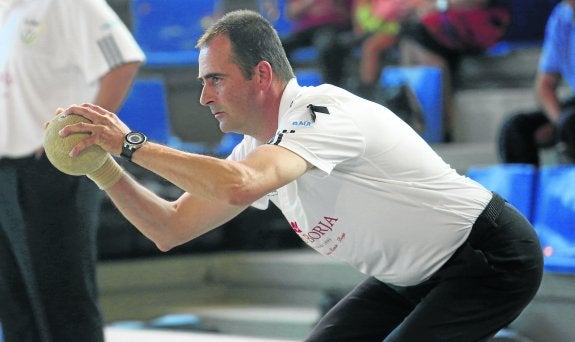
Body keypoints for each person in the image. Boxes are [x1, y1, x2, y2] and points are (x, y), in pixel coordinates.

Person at [55, 10, 542, 341]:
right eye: (203, 82)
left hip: (488, 258)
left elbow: (240, 184)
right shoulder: (257, 148)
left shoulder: (321, 113)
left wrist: (132, 144)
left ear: (262, 76)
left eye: (215, 79)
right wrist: (104, 168)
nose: (204, 97)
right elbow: (170, 227)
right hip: (408, 275)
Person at [0, 0, 144, 341]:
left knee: (63, 302)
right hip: (4, 171)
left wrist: (87, 131)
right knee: (14, 306)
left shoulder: (70, 3)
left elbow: (123, 60)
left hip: (52, 168)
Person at [399, 0, 511, 141]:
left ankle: (437, 123)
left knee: (416, 34)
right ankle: (421, 118)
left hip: (482, 22)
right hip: (450, 23)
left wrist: (439, 5)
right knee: (410, 33)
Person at [499, 0, 575, 167]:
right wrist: (558, 122)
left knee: (571, 123)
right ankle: (523, 192)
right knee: (516, 129)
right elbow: (544, 85)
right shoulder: (562, 16)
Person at [281, 0, 353, 87]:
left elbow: (350, 14)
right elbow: (292, 13)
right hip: (305, 29)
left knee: (327, 47)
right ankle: (286, 87)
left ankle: (331, 89)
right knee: (280, 46)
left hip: (330, 26)